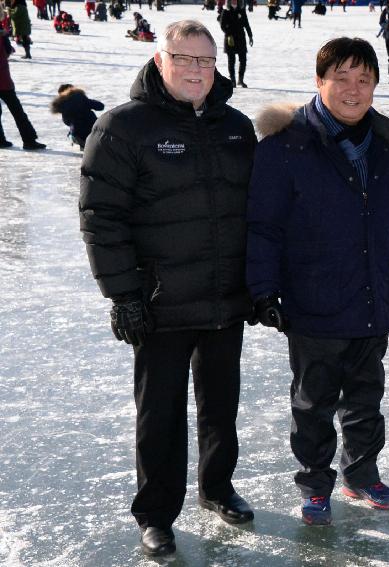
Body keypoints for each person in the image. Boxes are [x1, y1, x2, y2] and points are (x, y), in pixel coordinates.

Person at [78, 19, 257, 557]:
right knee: (160, 412)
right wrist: (123, 295)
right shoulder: (122, 128)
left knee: (221, 403)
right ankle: (156, 513)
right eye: (186, 59)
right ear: (161, 61)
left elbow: (257, 213)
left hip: (225, 294)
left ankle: (216, 486)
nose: (197, 70)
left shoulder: (235, 126)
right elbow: (100, 216)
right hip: (159, 301)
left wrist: (260, 283)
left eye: (206, 61)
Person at [246, 36, 389, 527]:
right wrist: (262, 290)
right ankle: (315, 484)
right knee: (314, 403)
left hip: (370, 296)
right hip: (314, 298)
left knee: (366, 397)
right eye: (342, 78)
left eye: (364, 79)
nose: (353, 90)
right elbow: (263, 224)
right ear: (319, 82)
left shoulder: (385, 141)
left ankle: (361, 473)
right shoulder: (286, 144)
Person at [0, 28, 44, 149]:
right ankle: (29, 140)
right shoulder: (2, 35)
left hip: (4, 79)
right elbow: (8, 51)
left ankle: (1, 139)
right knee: (18, 112)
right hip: (3, 80)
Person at [49, 83, 104, 148]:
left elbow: (67, 122)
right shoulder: (82, 99)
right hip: (94, 132)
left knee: (72, 131)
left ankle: (81, 143)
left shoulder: (62, 105)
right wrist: (87, 101)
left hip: (78, 135)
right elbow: (100, 106)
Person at [220, 0, 252, 87]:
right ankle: (233, 80)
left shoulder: (241, 10)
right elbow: (222, 25)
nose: (234, 1)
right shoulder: (226, 11)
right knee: (231, 61)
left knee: (243, 60)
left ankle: (240, 80)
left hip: (241, 38)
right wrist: (229, 33)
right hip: (230, 39)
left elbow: (246, 24)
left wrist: (250, 36)